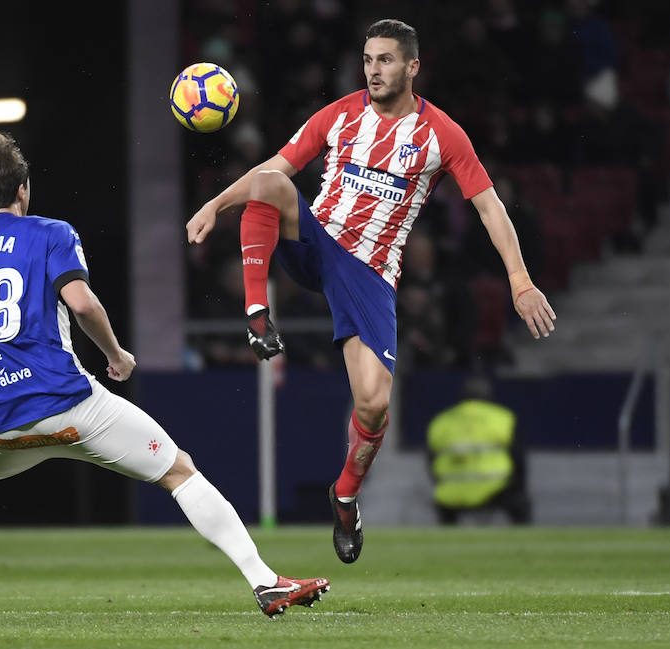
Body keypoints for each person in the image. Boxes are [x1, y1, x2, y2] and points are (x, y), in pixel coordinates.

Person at [0, 132, 329, 622]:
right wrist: (117, 354)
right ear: (24, 189)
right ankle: (263, 581)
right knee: (178, 470)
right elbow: (81, 302)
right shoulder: (51, 233)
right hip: (68, 405)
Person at [186, 19, 556, 564]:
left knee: (374, 402)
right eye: (367, 59)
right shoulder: (338, 114)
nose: (373, 70)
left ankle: (345, 496)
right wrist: (216, 204)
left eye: (385, 60)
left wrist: (519, 279)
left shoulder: (441, 135)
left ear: (412, 67)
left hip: (369, 273)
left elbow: (488, 206)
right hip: (317, 240)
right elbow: (274, 169)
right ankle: (258, 313)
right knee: (269, 183)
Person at [426, 374, 532, 525]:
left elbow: (430, 462)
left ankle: (448, 538)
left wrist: (443, 484)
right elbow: (519, 460)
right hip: (494, 490)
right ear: (489, 395)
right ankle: (524, 541)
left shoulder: (441, 422)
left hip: (451, 492)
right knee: (520, 503)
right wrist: (519, 488)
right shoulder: (503, 419)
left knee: (445, 505)